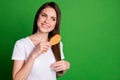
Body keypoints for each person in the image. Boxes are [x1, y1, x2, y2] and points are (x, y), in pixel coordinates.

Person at [11, 1, 70, 80]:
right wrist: (33, 54)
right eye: (44, 15)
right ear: (37, 17)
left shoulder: (58, 44)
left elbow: (53, 74)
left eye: (52, 19)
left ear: (56, 23)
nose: (46, 21)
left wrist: (66, 67)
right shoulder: (21, 44)